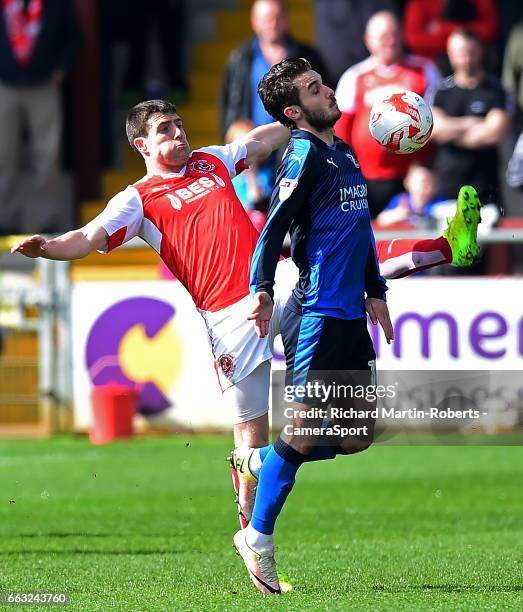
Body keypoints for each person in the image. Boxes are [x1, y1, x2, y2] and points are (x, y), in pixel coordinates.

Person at [12, 98, 480, 576]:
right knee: (250, 439)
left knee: (346, 256)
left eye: (178, 123)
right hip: (231, 322)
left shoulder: (210, 161)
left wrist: (292, 118)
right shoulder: (138, 199)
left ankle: (445, 246)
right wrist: (47, 247)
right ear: (142, 145)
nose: (178, 133)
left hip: (271, 283)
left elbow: (255, 143)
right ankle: (255, 541)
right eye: (165, 130)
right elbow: (88, 238)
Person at [231, 57, 482, 595]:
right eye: (315, 88)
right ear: (296, 111)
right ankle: (259, 538)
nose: (328, 90)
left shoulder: (342, 152)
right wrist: (262, 289)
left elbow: (361, 233)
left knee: (354, 437)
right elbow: (273, 229)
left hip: (350, 313)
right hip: (316, 314)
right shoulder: (301, 155)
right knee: (302, 430)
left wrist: (376, 292)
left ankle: (258, 460)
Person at [334, 11, 441, 218]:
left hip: (414, 179)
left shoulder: (424, 69)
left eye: (394, 34)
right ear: (369, 41)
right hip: (368, 178)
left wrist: (429, 167)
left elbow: (438, 117)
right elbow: (340, 131)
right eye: (383, 36)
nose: (390, 41)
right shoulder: (354, 76)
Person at [0, 0, 80, 235]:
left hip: (44, 85)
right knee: (3, 154)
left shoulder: (56, 4)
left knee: (47, 153)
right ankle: (6, 220)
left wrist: (60, 70)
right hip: (5, 86)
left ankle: (46, 220)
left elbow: (72, 37)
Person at [219, 0, 329, 139]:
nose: (273, 23)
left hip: (294, 144)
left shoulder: (308, 58)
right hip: (250, 146)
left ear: (287, 18)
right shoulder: (240, 58)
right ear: (254, 21)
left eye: (278, 17)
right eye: (267, 18)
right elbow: (227, 105)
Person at [431, 30, 512, 206]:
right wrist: (473, 123)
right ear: (450, 54)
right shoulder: (440, 91)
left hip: (485, 191)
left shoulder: (497, 90)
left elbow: (494, 133)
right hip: (447, 189)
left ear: (480, 51)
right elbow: (434, 130)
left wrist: (451, 132)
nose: (465, 58)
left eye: (470, 52)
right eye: (460, 53)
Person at [403, 0, 498, 74]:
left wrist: (443, 29)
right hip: (435, 64)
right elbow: (414, 40)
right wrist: (452, 45)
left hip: (474, 60)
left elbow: (489, 30)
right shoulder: (421, 3)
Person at [376, 162, 447, 228]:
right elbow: (381, 220)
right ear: (407, 183)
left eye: (432, 182)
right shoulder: (401, 201)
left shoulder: (439, 203)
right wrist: (397, 214)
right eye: (423, 182)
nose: (427, 186)